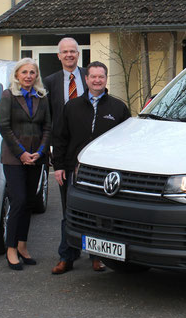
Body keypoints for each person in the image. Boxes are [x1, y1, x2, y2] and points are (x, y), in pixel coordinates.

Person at [50, 61, 131, 275]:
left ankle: (98, 257)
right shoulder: (72, 106)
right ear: (86, 79)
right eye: (93, 76)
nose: (97, 80)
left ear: (106, 79)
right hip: (72, 169)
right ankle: (66, 257)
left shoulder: (118, 108)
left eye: (100, 77)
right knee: (70, 214)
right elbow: (60, 138)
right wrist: (58, 166)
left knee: (100, 216)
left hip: (104, 174)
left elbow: (127, 142)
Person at [0, 58, 51, 271]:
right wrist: (21, 153)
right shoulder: (8, 96)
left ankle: (22, 245)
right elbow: (4, 127)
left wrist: (39, 152)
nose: (28, 76)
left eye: (32, 72)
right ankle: (10, 248)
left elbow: (48, 127)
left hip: (36, 158)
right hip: (14, 158)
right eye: (24, 72)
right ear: (17, 75)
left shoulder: (42, 97)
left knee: (29, 201)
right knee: (18, 200)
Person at [43, 37, 89, 271]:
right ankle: (67, 255)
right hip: (64, 152)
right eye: (65, 52)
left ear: (78, 55)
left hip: (89, 152)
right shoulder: (50, 82)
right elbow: (48, 118)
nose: (69, 55)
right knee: (68, 205)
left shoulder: (89, 77)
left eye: (73, 51)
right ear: (58, 56)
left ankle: (96, 255)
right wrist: (53, 152)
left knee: (92, 205)